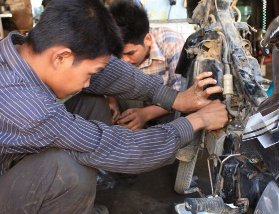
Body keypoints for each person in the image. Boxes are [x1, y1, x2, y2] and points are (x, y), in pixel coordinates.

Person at [0, 0, 228, 213]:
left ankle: (73, 204)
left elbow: (106, 72)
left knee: (90, 103)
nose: (89, 81)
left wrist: (174, 98)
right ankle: (64, 199)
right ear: (60, 58)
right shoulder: (24, 106)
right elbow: (110, 145)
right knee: (67, 171)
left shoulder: (20, 51)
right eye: (88, 74)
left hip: (11, 161)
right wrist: (197, 121)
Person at [110, 1, 186, 130]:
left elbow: (182, 96)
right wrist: (111, 102)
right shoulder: (109, 46)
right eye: (118, 55)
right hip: (129, 112)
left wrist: (145, 114)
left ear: (148, 39)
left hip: (166, 112)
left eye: (130, 53)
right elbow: (105, 79)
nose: (124, 61)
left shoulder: (172, 43)